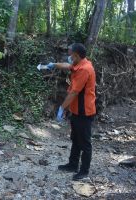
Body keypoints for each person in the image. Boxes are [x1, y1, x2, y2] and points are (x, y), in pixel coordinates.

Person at [47, 43, 96, 180]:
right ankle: (73, 164)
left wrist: (62, 108)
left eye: (70, 55)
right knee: (75, 138)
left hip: (84, 111)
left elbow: (74, 92)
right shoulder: (79, 63)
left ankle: (84, 171)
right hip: (77, 110)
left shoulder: (85, 69)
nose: (69, 57)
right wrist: (54, 64)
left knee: (85, 142)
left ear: (76, 55)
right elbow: (67, 65)